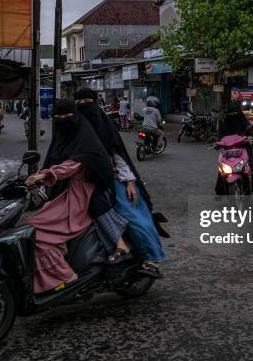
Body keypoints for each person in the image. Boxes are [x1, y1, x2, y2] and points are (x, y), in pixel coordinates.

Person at [23, 99, 116, 293]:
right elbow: (51, 161)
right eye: (59, 118)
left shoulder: (86, 143)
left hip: (77, 196)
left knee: (36, 231)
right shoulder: (61, 139)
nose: (63, 121)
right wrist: (37, 176)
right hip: (60, 194)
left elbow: (70, 166)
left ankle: (67, 276)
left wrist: (44, 175)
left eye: (67, 117)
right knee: (31, 225)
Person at [74, 89, 165, 277]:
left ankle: (152, 258)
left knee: (131, 216)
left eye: (86, 101)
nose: (82, 105)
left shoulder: (104, 126)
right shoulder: (73, 127)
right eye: (78, 101)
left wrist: (130, 182)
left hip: (115, 181)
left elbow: (118, 156)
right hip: (83, 185)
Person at [216, 101, 253, 195]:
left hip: (243, 146)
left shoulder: (243, 121)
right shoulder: (226, 122)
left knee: (251, 163)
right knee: (221, 167)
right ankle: (221, 190)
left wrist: (250, 137)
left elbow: (250, 131)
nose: (233, 115)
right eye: (231, 112)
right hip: (228, 149)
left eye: (235, 112)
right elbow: (220, 135)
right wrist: (218, 142)